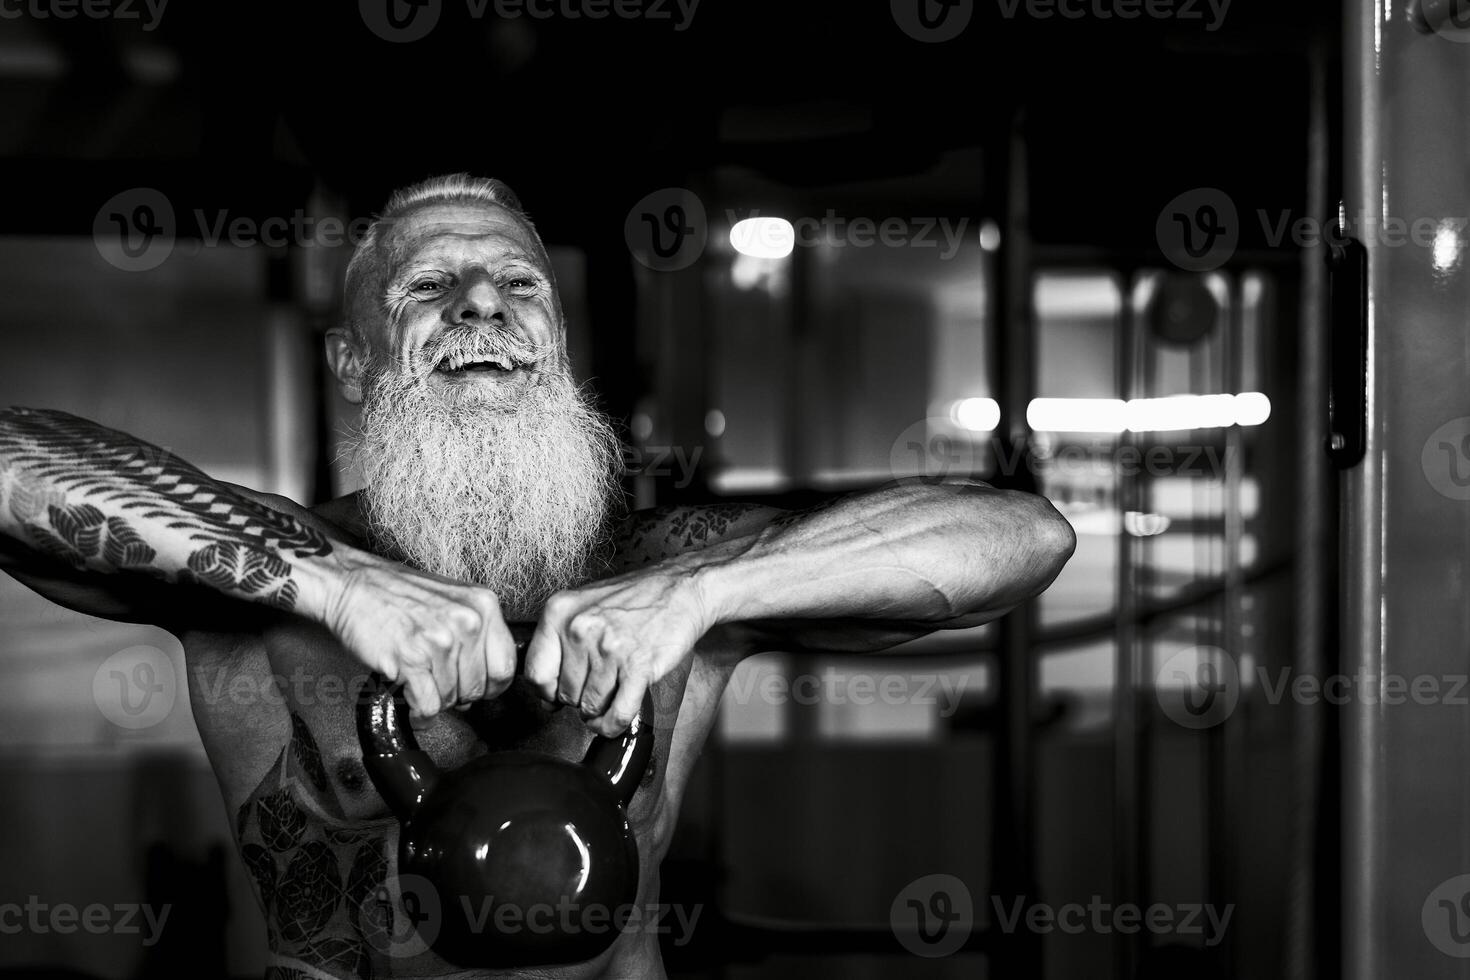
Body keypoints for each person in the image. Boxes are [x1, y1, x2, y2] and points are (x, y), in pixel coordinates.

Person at [0, 174, 1075, 979]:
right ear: (356, 361)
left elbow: (1025, 537)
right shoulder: (255, 575)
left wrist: (703, 591)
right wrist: (333, 583)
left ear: (557, 342)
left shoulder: (670, 562)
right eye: (431, 286)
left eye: (520, 283)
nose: (483, 305)